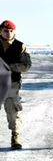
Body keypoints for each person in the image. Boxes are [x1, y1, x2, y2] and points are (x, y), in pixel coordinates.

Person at [0, 19, 32, 150]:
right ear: (0, 31)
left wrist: (9, 67)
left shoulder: (20, 46)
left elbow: (26, 65)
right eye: (5, 31)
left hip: (12, 83)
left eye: (11, 31)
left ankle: (16, 136)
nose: (8, 33)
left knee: (12, 111)